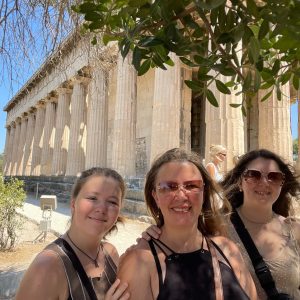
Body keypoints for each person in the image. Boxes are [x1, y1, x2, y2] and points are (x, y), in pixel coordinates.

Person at [118, 148, 257, 300]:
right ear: (155, 196)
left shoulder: (228, 249)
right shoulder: (139, 263)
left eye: (192, 186)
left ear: (204, 193)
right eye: (168, 187)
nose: (181, 195)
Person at [16, 167, 130, 300]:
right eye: (93, 198)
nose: (102, 209)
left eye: (112, 202)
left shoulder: (111, 253)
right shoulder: (48, 266)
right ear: (73, 204)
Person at [221, 149, 300, 299]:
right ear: (239, 182)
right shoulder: (218, 227)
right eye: (253, 175)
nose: (264, 182)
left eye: (274, 177)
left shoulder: (294, 229)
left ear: (282, 184)